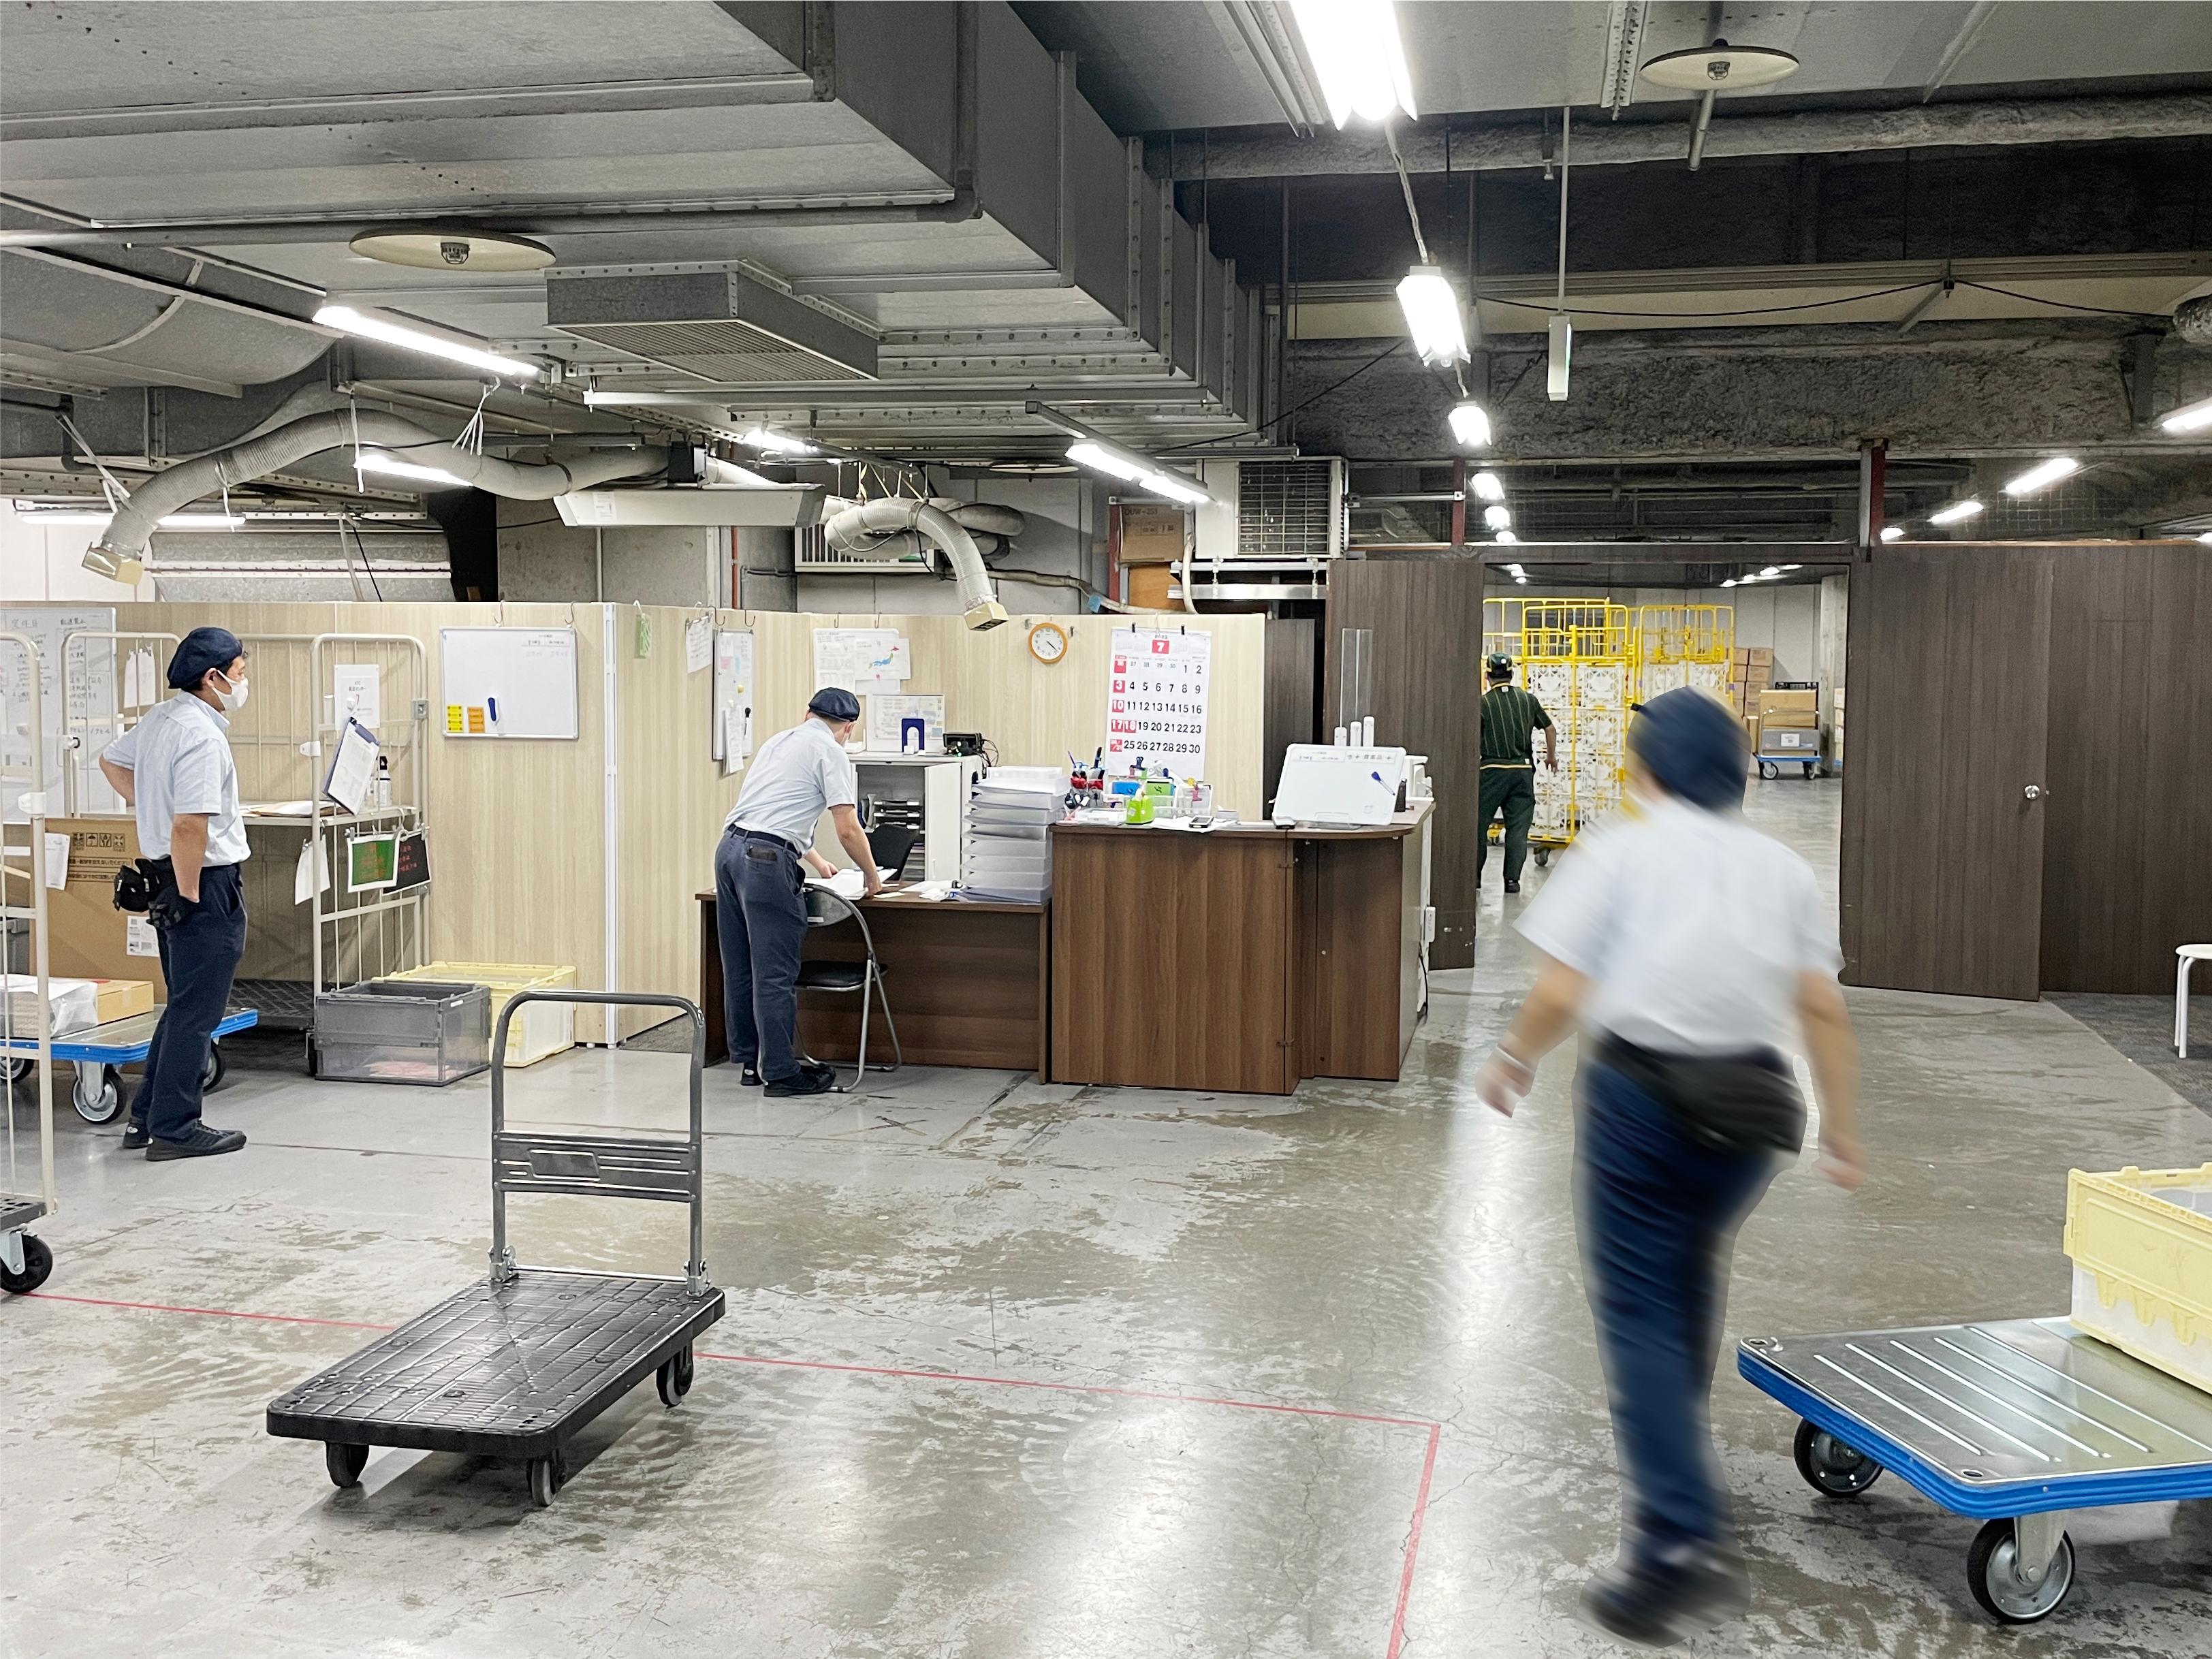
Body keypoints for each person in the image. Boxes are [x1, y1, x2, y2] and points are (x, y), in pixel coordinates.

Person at [1472, 686, 1865, 1647]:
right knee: (1688, 1283)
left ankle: (1679, 1543)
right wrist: (1841, 1128)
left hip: (1642, 1106)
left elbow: (1566, 983)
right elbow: (1820, 1007)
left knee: (1639, 1313)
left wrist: (1516, 1056)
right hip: (1753, 1112)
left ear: (1647, 772)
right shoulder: (1782, 869)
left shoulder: (1620, 850)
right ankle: (1674, 1448)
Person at [97, 627, 253, 1160]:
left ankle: (145, 1118)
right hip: (201, 883)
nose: (243, 679)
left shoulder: (163, 718)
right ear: (212, 677)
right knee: (197, 1011)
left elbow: (112, 762)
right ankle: (175, 1128)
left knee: (182, 1003)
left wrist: (151, 811)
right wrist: (189, 892)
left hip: (169, 873)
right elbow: (191, 824)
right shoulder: (203, 737)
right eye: (239, 670)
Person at [716, 687, 883, 1097]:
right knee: (774, 974)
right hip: (766, 865)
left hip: (730, 851)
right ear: (848, 727)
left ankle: (751, 1064)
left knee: (743, 968)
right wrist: (872, 875)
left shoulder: (780, 740)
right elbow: (847, 826)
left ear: (807, 712)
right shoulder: (833, 752)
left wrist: (814, 860)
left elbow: (766, 810)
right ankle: (782, 1073)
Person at [1475, 651, 1557, 894]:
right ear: (1512, 674)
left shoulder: (1483, 703)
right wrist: (1550, 757)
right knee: (1518, 830)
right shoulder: (1528, 700)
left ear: (1488, 676)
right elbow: (1550, 729)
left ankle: (1474, 879)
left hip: (1491, 771)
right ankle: (1512, 881)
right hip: (1522, 771)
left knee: (1479, 827)